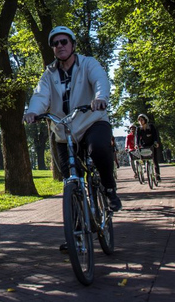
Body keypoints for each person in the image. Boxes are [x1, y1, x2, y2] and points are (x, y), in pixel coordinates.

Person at [23, 26, 122, 214]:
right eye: (55, 43)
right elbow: (40, 96)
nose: (60, 46)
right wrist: (33, 111)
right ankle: (76, 235)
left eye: (64, 41)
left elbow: (100, 80)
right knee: (70, 178)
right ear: (52, 48)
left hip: (92, 121)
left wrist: (100, 98)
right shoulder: (48, 74)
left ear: (73, 44)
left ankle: (109, 190)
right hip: (64, 131)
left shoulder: (88, 64)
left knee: (98, 148)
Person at [136, 113, 161, 182]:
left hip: (152, 144)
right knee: (142, 155)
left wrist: (155, 142)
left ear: (145, 120)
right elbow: (137, 137)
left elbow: (155, 135)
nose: (140, 121)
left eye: (142, 120)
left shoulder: (151, 126)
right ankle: (144, 166)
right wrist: (137, 144)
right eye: (139, 120)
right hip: (144, 145)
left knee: (154, 159)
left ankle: (157, 175)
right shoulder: (139, 129)